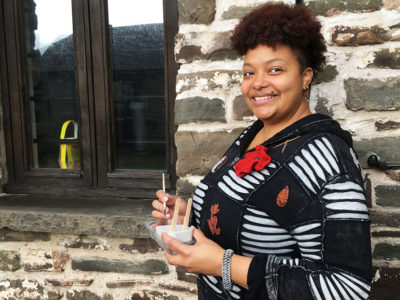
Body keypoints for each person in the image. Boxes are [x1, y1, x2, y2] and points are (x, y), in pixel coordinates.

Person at [152, 2, 372, 299]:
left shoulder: (325, 157)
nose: (257, 83)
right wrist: (189, 214)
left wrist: (223, 265)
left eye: (275, 70)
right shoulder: (254, 134)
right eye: (248, 73)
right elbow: (248, 215)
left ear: (305, 76)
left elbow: (347, 286)